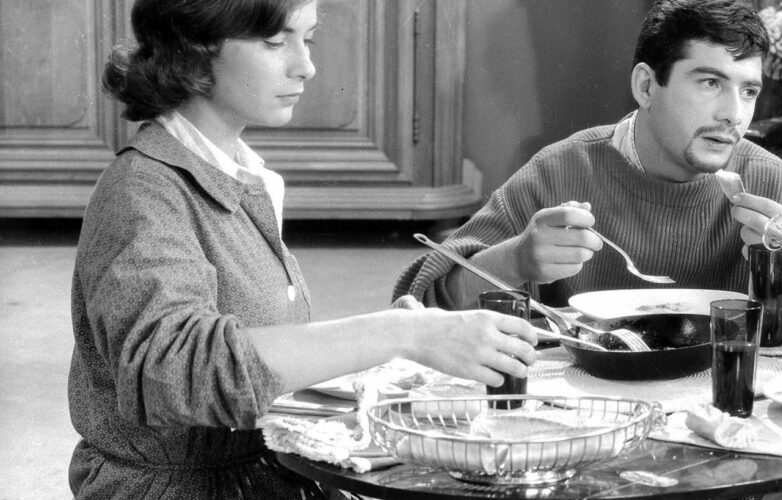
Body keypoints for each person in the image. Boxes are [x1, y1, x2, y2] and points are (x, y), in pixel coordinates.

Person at [70, 0, 538, 497]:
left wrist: (385, 353)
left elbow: (259, 355)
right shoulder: (141, 191)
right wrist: (399, 333)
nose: (306, 66)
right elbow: (176, 374)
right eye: (275, 42)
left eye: (307, 38)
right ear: (194, 48)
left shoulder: (230, 171)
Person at [393, 0, 782, 309]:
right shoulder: (559, 172)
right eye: (710, 83)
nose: (734, 114)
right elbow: (417, 305)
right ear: (646, 86)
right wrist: (514, 261)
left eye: (749, 91)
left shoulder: (766, 179)